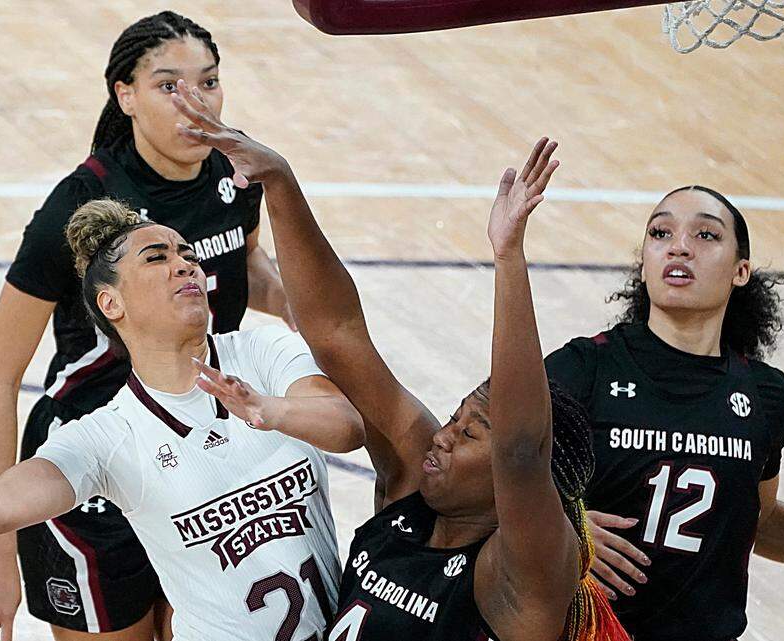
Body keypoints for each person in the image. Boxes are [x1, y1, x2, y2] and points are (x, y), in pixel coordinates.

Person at [171, 85, 628, 640]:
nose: (444, 435)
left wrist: (508, 258)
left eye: (470, 433)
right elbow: (338, 337)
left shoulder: (517, 579)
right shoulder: (414, 489)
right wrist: (280, 182)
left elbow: (521, 449)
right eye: (457, 417)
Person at [0, 200, 362, 641]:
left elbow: (348, 423)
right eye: (157, 257)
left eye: (187, 253)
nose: (184, 263)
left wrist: (273, 410)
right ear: (111, 304)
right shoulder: (105, 438)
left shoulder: (260, 354)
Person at [0, 11, 292, 641]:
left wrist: (307, 312)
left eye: (209, 82)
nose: (195, 103)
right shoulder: (82, 207)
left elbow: (245, 260)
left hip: (202, 451)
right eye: (169, 86)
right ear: (126, 96)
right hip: (97, 464)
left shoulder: (237, 172)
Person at [543, 186, 784, 641]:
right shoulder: (583, 368)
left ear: (741, 272)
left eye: (705, 235)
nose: (679, 246)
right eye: (661, 232)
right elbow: (481, 482)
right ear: (644, 263)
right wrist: (561, 531)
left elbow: (757, 520)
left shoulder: (767, 395)